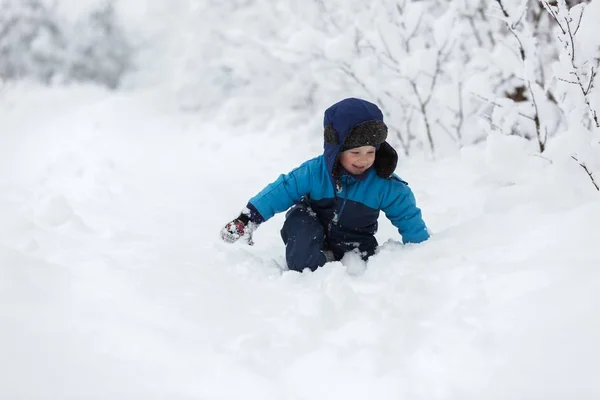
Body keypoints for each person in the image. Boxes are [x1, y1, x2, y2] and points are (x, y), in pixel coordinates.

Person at [220, 97, 429, 271]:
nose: (363, 160)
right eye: (355, 152)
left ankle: (339, 265)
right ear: (336, 150)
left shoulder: (383, 184)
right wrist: (247, 219)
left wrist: (422, 251)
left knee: (364, 266)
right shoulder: (314, 172)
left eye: (370, 152)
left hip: (354, 236)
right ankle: (313, 266)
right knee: (303, 253)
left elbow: (406, 214)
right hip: (309, 223)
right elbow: (282, 190)